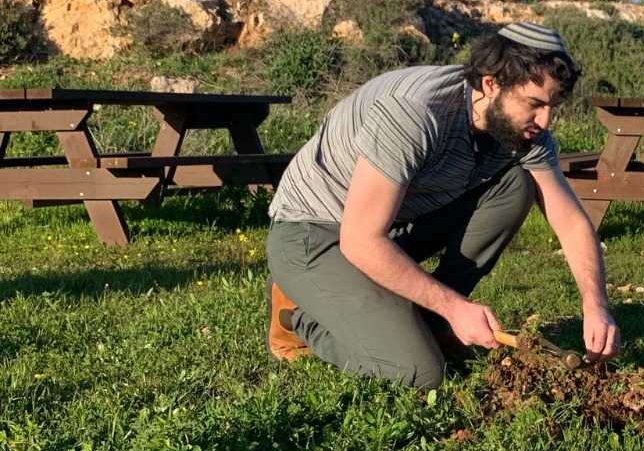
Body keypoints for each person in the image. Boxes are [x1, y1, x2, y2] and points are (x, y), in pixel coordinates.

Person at [264, 21, 620, 386]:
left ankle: (430, 321)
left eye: (553, 106)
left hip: (389, 225)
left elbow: (571, 222)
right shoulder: (414, 113)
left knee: (516, 184)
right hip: (314, 234)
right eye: (534, 104)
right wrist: (455, 306)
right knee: (419, 371)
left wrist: (596, 305)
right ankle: (299, 317)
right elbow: (360, 239)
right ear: (490, 82)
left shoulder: (523, 132)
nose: (544, 121)